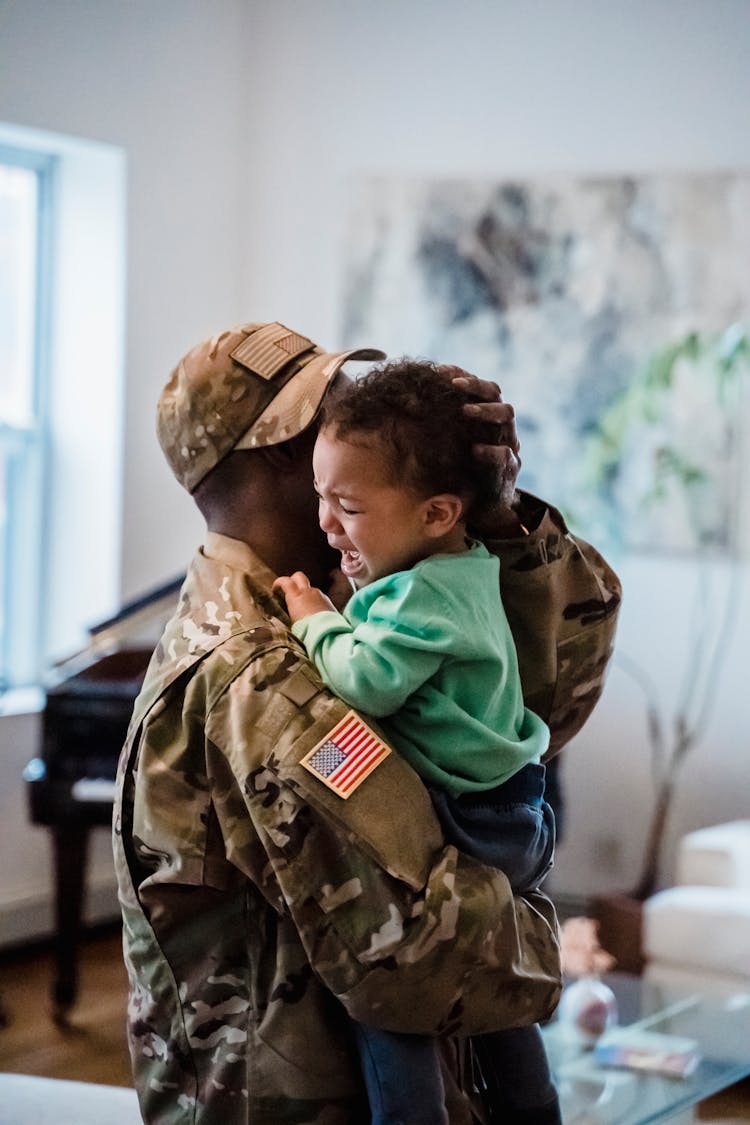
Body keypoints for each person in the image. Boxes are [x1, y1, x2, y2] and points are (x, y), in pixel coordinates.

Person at [113, 320, 620, 1124]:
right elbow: (416, 949)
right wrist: (549, 941)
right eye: (333, 418)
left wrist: (492, 521)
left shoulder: (347, 597)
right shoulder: (258, 671)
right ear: (288, 454)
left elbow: (549, 703)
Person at [273, 359, 560, 1124]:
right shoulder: (461, 569)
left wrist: (312, 617)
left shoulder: (421, 597)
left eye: (349, 507)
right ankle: (536, 1109)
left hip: (468, 817)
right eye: (319, 498)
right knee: (496, 995)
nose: (327, 524)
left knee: (390, 986)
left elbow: (363, 682)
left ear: (437, 512)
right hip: (506, 806)